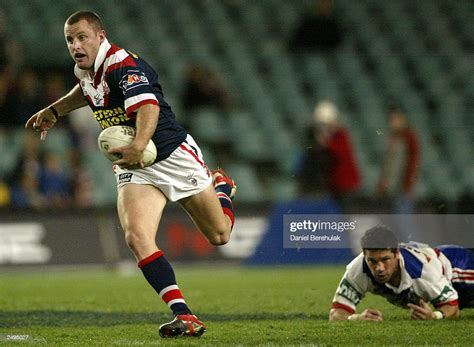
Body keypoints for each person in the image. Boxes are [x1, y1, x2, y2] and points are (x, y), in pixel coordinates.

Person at [25, 11, 237, 338]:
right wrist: (55, 110)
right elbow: (86, 90)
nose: (75, 45)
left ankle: (221, 188)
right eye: (70, 39)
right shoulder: (85, 68)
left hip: (170, 155)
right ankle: (185, 315)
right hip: (133, 164)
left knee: (220, 235)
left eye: (82, 37)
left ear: (100, 35)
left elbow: (149, 106)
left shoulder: (124, 66)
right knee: (136, 237)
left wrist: (139, 143)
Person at [329, 226, 474, 321]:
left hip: (458, 268)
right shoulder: (358, 269)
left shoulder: (422, 271)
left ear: (397, 254)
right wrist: (356, 318)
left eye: (385, 259)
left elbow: (453, 308)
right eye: (372, 261)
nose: (379, 268)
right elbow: (335, 314)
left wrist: (434, 316)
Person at [297, 101, 360, 204]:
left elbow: (335, 155)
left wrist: (323, 141)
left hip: (345, 187)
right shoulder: (330, 137)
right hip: (334, 188)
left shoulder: (340, 136)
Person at [376, 105, 419, 214]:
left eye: (395, 119)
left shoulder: (409, 137)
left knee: (403, 223)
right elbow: (388, 163)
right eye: (391, 120)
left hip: (402, 188)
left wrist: (407, 185)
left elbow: (412, 163)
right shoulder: (394, 137)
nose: (392, 123)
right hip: (393, 188)